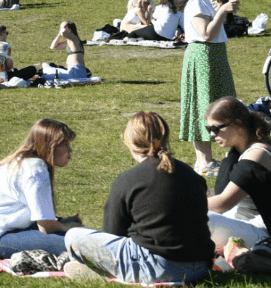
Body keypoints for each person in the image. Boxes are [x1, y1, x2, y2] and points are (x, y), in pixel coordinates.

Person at [62, 112, 213, 284]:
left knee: (73, 236)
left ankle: (108, 275)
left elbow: (113, 233)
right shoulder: (191, 175)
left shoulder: (128, 179)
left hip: (158, 269)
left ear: (130, 142)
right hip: (201, 267)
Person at [0, 119, 81, 258]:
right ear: (51, 147)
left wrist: (63, 224)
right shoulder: (35, 169)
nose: (71, 151)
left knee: (81, 238)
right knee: (80, 246)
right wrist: (68, 227)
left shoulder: (26, 161)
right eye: (66, 145)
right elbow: (46, 227)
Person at [204, 97, 271, 250]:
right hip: (248, 223)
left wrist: (179, 207)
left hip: (270, 236)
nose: (212, 135)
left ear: (237, 124)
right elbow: (220, 194)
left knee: (203, 219)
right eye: (209, 129)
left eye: (216, 128)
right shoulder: (248, 147)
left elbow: (223, 204)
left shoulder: (256, 155)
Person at [177, 0, 238, 174]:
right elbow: (205, 34)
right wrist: (222, 10)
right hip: (203, 57)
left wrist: (219, 8)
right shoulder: (195, 3)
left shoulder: (203, 2)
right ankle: (204, 161)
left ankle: (207, 160)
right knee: (203, 105)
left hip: (213, 56)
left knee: (217, 104)